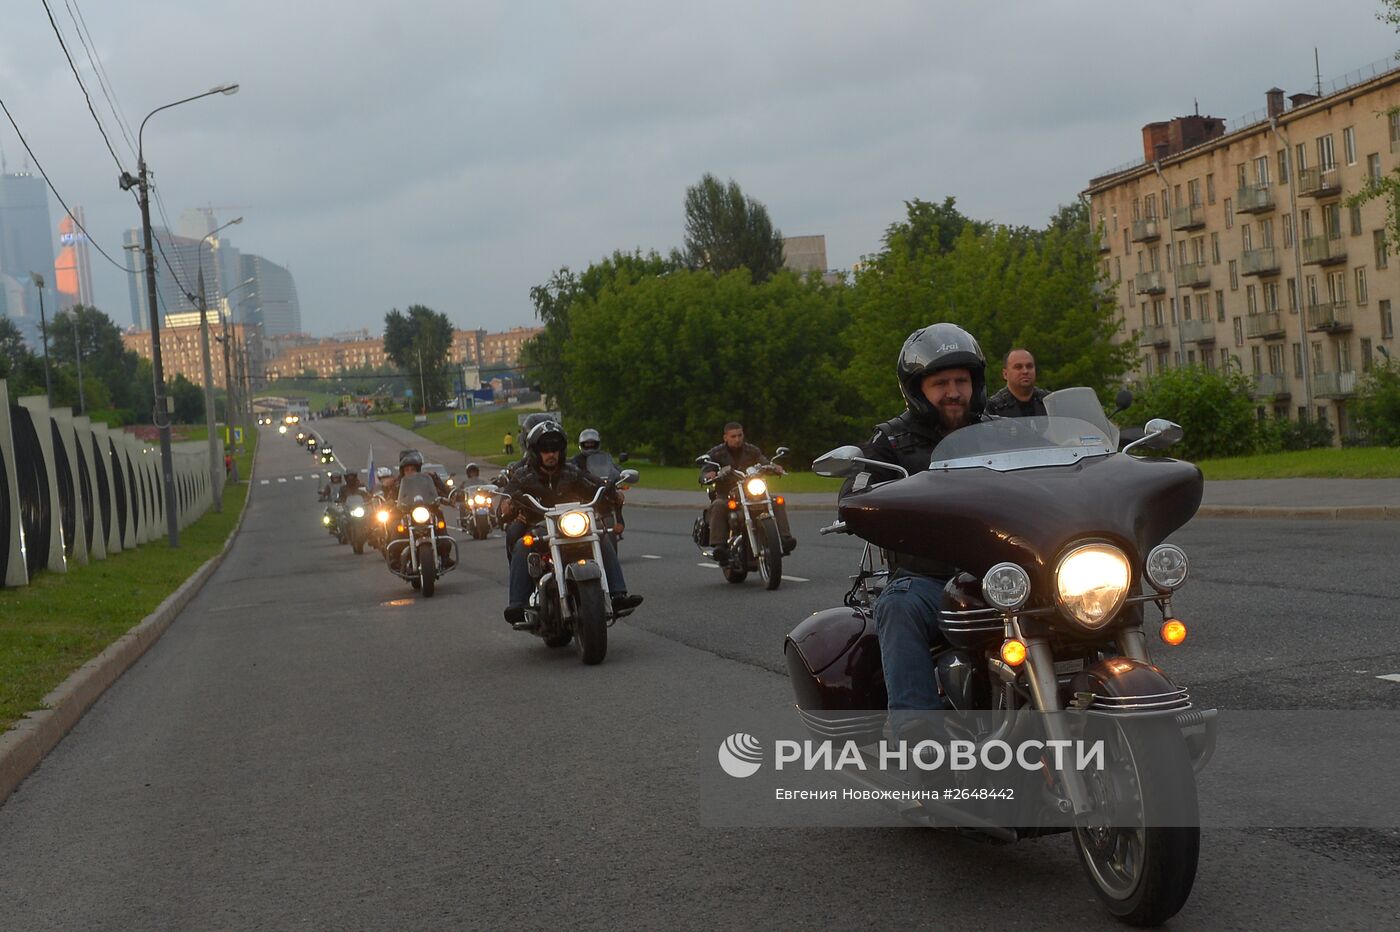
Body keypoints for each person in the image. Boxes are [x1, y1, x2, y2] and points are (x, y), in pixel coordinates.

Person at [839, 323, 991, 728]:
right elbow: (853, 491)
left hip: (1001, 571)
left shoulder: (998, 431)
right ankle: (921, 736)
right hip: (929, 578)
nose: (954, 391)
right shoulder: (891, 442)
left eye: (962, 380)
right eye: (941, 383)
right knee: (897, 604)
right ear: (917, 389)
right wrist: (873, 507)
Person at [501, 420, 641, 627]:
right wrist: (507, 505)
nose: (551, 454)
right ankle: (518, 604)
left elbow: (593, 487)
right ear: (535, 451)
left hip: (571, 524)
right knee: (523, 544)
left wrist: (611, 493)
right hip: (539, 526)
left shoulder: (571, 472)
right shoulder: (523, 476)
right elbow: (506, 498)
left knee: (601, 536)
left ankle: (618, 596)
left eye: (555, 449)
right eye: (545, 449)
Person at [699, 422, 795, 559]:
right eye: (733, 436)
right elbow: (705, 471)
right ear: (725, 437)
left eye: (740, 435)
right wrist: (708, 475)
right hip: (727, 494)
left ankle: (785, 539)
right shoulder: (716, 453)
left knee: (777, 501)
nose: (737, 439)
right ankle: (719, 546)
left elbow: (764, 462)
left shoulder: (752, 450)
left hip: (751, 493)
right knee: (718, 505)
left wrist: (774, 467)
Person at [571, 428, 624, 535]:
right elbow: (572, 470)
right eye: (587, 444)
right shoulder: (576, 460)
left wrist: (621, 474)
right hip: (584, 490)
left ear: (598, 444)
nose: (590, 446)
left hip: (604, 487)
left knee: (619, 496)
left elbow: (614, 468)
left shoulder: (604, 457)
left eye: (592, 444)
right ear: (581, 444)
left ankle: (620, 522)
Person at [985, 348, 1048, 418]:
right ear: (1005, 374)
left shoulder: (1049, 401)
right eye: (1018, 367)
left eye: (1029, 366)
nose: (1025, 371)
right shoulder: (993, 408)